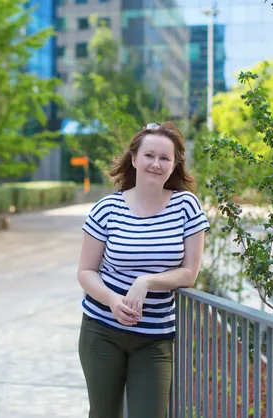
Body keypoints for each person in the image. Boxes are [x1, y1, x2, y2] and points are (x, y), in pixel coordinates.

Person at [77, 121, 210, 418]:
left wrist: (146, 281)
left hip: (155, 337)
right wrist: (112, 300)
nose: (156, 163)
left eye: (165, 158)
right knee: (104, 414)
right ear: (134, 159)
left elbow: (190, 273)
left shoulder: (187, 206)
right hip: (102, 331)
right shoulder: (106, 209)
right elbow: (86, 272)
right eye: (149, 155)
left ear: (174, 165)